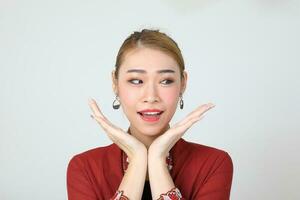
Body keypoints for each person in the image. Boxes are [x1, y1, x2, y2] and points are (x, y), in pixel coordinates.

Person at [66, 29, 233, 200]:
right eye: (136, 81)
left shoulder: (213, 163)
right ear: (115, 83)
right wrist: (138, 159)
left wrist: (157, 159)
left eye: (166, 81)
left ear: (183, 84)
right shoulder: (85, 167)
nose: (151, 96)